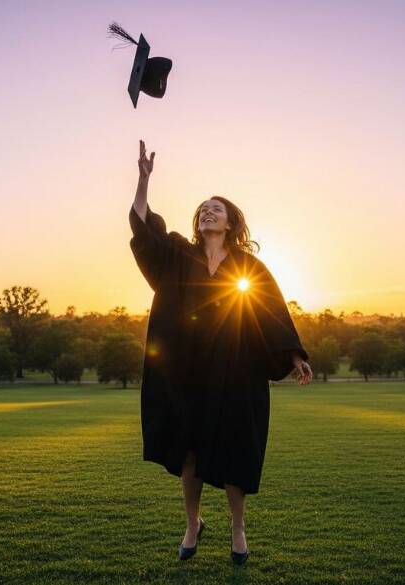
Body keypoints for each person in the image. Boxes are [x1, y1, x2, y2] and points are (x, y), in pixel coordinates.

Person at [128, 139, 313, 564]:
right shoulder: (178, 253)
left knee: (234, 448)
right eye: (202, 209)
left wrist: (294, 354)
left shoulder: (249, 267)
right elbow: (143, 229)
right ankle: (193, 523)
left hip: (234, 370)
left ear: (230, 223)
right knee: (189, 450)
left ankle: (237, 526)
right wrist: (143, 181)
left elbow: (271, 310)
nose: (207, 212)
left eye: (216, 208)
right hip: (186, 370)